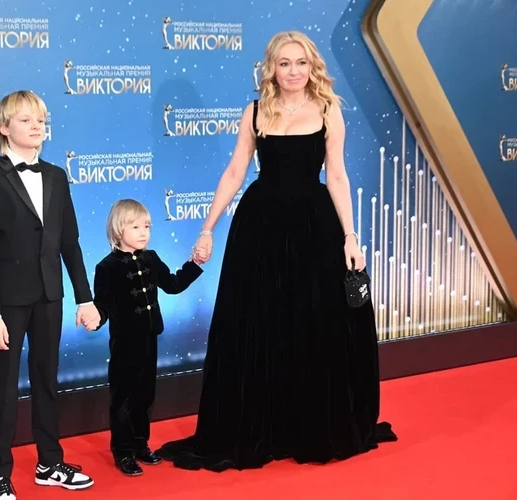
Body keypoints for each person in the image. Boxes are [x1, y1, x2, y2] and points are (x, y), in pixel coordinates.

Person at [155, 31, 397, 472]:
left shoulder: (329, 110)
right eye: (284, 63)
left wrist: (350, 236)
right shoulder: (254, 111)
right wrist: (207, 228)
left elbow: (337, 176)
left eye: (301, 62)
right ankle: (261, 424)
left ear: (312, 66)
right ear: (271, 68)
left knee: (310, 320)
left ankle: (306, 425)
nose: (293, 71)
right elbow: (235, 170)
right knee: (259, 320)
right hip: (260, 227)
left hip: (314, 227)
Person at [0, 90, 99, 499]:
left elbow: (70, 243)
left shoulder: (57, 176)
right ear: (4, 128)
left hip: (49, 296)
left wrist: (84, 298)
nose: (37, 126)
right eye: (26, 120)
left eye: (41, 119)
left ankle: (49, 463)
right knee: (4, 388)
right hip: (7, 302)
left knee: (47, 381)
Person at [85, 199, 203, 476]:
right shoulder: (107, 267)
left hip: (150, 339)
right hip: (125, 344)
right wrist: (95, 318)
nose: (143, 232)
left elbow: (172, 284)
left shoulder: (151, 258)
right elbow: (103, 305)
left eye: (147, 226)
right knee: (123, 398)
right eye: (136, 227)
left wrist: (194, 265)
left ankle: (140, 444)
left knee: (145, 395)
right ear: (118, 230)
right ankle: (123, 451)